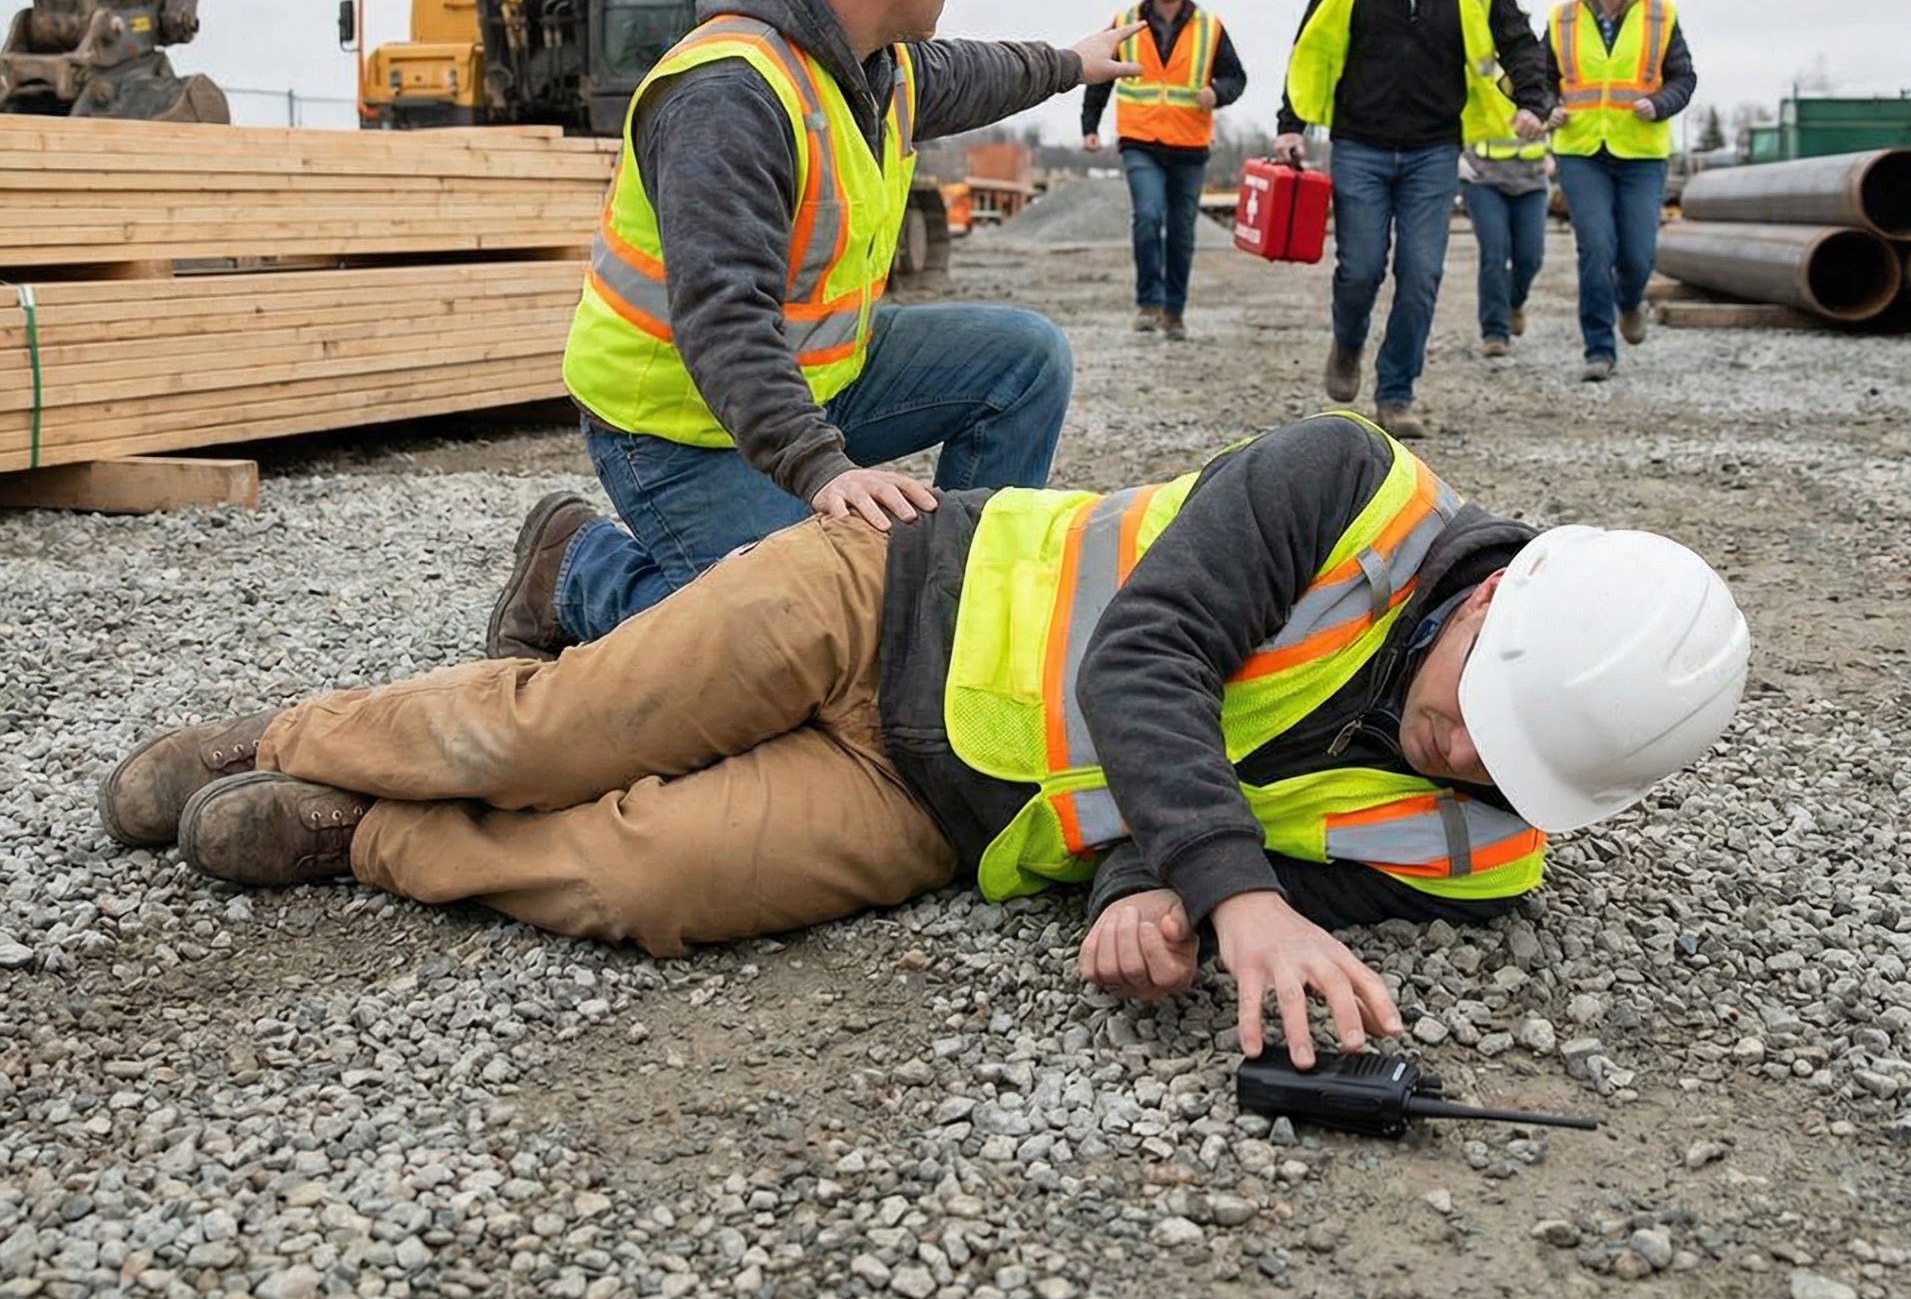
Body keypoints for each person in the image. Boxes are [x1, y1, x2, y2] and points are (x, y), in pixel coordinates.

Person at [99, 411, 1749, 1066]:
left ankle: (348, 829)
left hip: (936, 803)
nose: (1455, 753)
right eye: (1475, 710)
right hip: (883, 594)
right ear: (1502, 594)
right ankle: (286, 728)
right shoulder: (1343, 481)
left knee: (656, 876)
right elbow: (1154, 651)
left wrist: (1153, 893)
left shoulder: (1477, 848)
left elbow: (1288, 858)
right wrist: (1230, 882)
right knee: (556, 730)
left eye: (1500, 761)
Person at [498, 0, 1139, 659]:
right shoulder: (732, 93)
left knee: (1025, 360)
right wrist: (822, 470)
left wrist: (1072, 63)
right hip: (681, 426)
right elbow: (724, 317)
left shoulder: (881, 66)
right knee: (805, 642)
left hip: (811, 383)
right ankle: (573, 569)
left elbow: (982, 72)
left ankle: (953, 611)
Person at [1275, 0, 1551, 439]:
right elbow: (1309, 49)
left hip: (1433, 145)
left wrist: (1533, 96)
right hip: (1360, 142)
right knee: (1360, 268)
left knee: (1422, 274)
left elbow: (1517, 41)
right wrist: (1290, 125)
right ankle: (1347, 345)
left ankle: (1396, 394)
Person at [1545, 0, 1698, 382]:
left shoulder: (1661, 16)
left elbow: (1684, 78)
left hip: (1641, 153)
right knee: (1594, 247)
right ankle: (1598, 348)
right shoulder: (1563, 18)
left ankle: (1630, 301)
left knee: (1637, 254)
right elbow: (1541, 77)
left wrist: (1660, 103)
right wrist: (1548, 105)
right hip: (1581, 150)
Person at [1081, 0, 1247, 339]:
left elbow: (1236, 78)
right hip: (1141, 140)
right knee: (1149, 216)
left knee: (1182, 229)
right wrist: (1090, 125)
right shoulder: (1126, 22)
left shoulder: (1210, 27)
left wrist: (1217, 94)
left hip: (1190, 144)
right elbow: (1100, 72)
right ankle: (1148, 303)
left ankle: (1174, 310)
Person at [1460, 126, 1550, 359]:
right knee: (1494, 254)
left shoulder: (1538, 89)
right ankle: (1494, 333)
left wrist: (1557, 155)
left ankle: (1513, 303)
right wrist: (1456, 157)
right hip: (1482, 177)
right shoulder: (1482, 88)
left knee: (1530, 257)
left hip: (1532, 178)